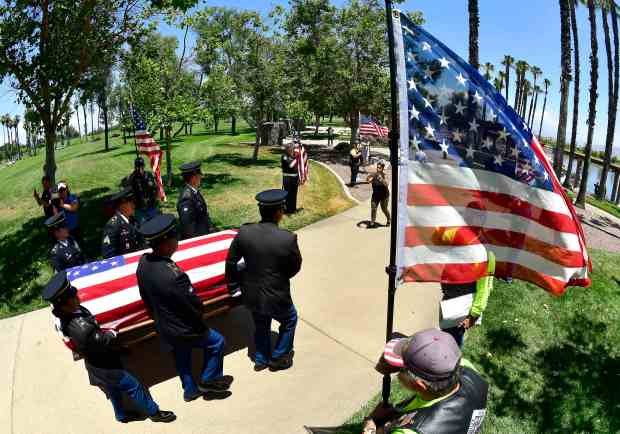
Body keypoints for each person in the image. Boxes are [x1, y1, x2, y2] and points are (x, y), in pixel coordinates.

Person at [42, 271, 176, 424]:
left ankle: (121, 415)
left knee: (113, 390)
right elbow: (103, 343)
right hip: (105, 365)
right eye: (73, 297)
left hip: (95, 366)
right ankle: (154, 413)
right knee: (134, 386)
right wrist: (112, 334)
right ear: (64, 305)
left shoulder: (70, 314)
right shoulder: (80, 327)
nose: (77, 297)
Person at [137, 214, 232, 402]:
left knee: (181, 355)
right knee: (217, 342)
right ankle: (208, 379)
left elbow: (145, 296)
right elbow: (192, 306)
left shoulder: (144, 263)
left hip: (164, 326)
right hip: (184, 328)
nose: (177, 242)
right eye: (175, 238)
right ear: (165, 243)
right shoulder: (174, 276)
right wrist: (201, 323)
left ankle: (189, 390)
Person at [225, 189, 302, 372]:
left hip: (251, 293)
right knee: (290, 319)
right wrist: (280, 277)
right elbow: (295, 266)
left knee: (261, 323)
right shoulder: (287, 238)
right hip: (277, 294)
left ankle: (260, 358)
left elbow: (231, 261)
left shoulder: (244, 232)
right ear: (279, 212)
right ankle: (278, 356)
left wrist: (234, 285)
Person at [363, 329, 489, 434]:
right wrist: (395, 413)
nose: (397, 371)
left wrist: (370, 424)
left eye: (401, 370)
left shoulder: (413, 432)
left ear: (420, 386)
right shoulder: (469, 370)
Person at [439, 250, 495, 348]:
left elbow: (484, 289)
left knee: (453, 339)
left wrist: (473, 315)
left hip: (463, 306)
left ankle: (451, 360)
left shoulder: (484, 255)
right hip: (451, 298)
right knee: (444, 334)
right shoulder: (464, 245)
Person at [101, 188, 145, 259]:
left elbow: (141, 242)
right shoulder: (113, 225)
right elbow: (108, 254)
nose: (134, 205)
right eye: (131, 203)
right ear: (122, 205)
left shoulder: (134, 221)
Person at [177, 161, 216, 239]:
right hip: (197, 239)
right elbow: (188, 228)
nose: (201, 177)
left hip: (204, 233)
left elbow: (204, 215)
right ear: (193, 178)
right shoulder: (186, 199)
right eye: (199, 175)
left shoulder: (194, 192)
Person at [124, 157, 159, 224]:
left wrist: (152, 199)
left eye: (141, 167)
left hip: (151, 205)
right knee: (143, 225)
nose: (139, 169)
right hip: (139, 207)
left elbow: (155, 188)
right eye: (137, 167)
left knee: (155, 223)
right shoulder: (133, 178)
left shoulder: (148, 175)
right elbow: (127, 188)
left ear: (143, 166)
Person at [367, 161, 391, 228]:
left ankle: (389, 219)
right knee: (373, 208)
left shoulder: (385, 175)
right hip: (375, 195)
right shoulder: (374, 174)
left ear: (383, 168)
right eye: (377, 167)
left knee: (384, 209)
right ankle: (372, 222)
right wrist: (368, 178)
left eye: (379, 168)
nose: (378, 169)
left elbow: (387, 184)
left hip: (384, 196)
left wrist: (382, 180)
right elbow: (368, 180)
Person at [281, 145, 299, 214]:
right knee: (288, 194)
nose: (292, 150)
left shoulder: (293, 156)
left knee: (294, 194)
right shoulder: (284, 156)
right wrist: (297, 158)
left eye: (293, 149)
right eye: (291, 149)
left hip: (294, 178)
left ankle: (293, 209)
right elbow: (290, 165)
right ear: (287, 149)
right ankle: (288, 210)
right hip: (287, 178)